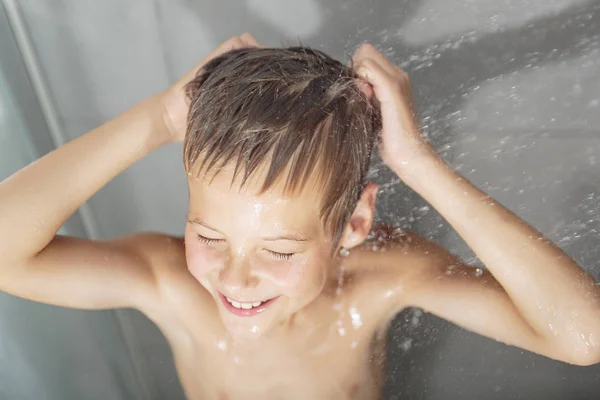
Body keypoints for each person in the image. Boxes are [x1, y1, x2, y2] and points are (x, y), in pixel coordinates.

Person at [1, 33, 599, 399]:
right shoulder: (171, 285)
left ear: (354, 226)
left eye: (279, 251)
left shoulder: (383, 277)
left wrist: (417, 163)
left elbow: (583, 337)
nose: (234, 280)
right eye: (209, 235)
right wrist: (160, 118)